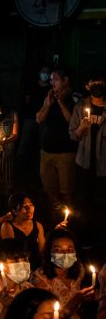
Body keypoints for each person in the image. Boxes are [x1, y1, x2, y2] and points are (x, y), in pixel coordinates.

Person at [30, 228, 95, 319]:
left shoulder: (79, 270)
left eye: (70, 249)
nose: (65, 254)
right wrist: (76, 300)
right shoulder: (39, 279)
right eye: (58, 250)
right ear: (49, 252)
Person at [36, 68, 79, 214]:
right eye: (51, 80)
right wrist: (48, 104)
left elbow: (72, 121)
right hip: (47, 150)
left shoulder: (74, 97)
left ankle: (69, 219)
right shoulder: (49, 97)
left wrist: (60, 102)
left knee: (66, 190)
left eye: (55, 79)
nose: (51, 82)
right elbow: (39, 119)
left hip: (66, 152)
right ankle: (55, 218)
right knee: (50, 189)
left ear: (65, 80)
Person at [69, 73, 106, 234]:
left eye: (100, 82)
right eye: (93, 82)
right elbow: (73, 135)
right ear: (87, 86)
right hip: (84, 163)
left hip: (103, 165)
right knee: (83, 201)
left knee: (102, 201)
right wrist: (82, 127)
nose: (97, 85)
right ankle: (84, 234)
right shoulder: (80, 107)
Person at [0, 192, 45, 270]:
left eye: (31, 205)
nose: (29, 209)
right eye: (24, 206)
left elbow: (42, 250)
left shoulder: (38, 225)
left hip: (36, 267)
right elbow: (11, 252)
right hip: (18, 267)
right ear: (14, 211)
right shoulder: (7, 226)